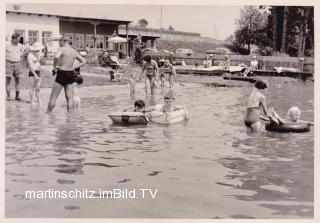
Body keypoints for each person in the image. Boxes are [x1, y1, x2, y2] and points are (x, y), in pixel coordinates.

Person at [47, 35, 86, 113]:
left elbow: (56, 57)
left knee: (53, 97)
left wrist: (54, 67)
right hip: (70, 74)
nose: (59, 43)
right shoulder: (73, 51)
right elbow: (84, 61)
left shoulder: (61, 49)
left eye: (59, 42)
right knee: (69, 97)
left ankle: (48, 114)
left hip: (62, 73)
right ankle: (69, 116)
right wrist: (74, 67)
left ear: (63, 41)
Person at [6, 33, 25, 101]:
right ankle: (8, 95)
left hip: (17, 63)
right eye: (18, 39)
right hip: (8, 63)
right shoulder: (6, 44)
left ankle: (17, 95)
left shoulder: (20, 45)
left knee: (18, 80)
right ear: (14, 38)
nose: (19, 40)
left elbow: (25, 51)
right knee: (8, 80)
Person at [27, 42, 44, 107]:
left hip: (38, 71)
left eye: (39, 50)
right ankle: (32, 101)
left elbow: (39, 62)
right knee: (32, 88)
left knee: (38, 88)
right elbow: (30, 67)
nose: (39, 50)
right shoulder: (30, 55)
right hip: (32, 72)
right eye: (38, 50)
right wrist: (35, 75)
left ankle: (39, 100)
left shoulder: (38, 54)